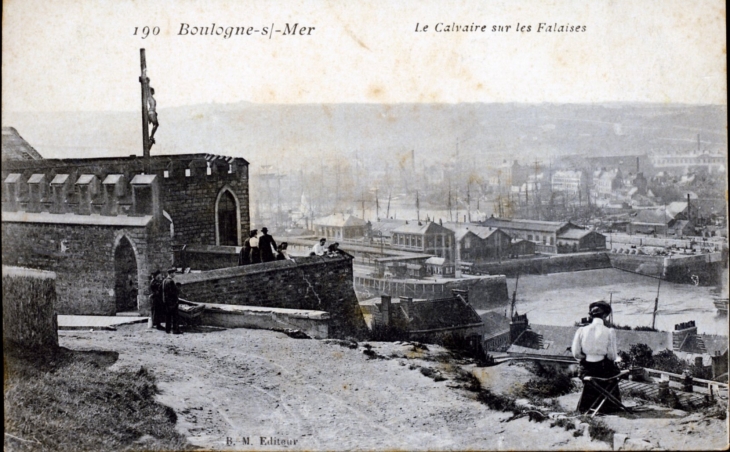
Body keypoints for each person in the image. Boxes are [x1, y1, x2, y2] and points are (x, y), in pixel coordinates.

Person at [571, 300, 622, 413]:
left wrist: (586, 356)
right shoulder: (609, 331)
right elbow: (612, 356)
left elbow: (576, 353)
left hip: (586, 370)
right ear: (605, 315)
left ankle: (588, 407)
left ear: (591, 315)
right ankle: (609, 407)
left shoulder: (581, 330)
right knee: (613, 375)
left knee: (591, 384)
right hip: (603, 370)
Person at [162, 267, 182, 334]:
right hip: (172, 302)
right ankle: (175, 330)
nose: (175, 274)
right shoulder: (171, 281)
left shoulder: (164, 281)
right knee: (175, 316)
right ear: (171, 273)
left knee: (168, 316)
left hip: (166, 302)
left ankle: (167, 330)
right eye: (174, 273)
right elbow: (173, 292)